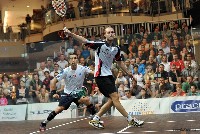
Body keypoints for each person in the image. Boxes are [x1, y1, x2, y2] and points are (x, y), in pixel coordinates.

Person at [63, 27, 144, 129]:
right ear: (105, 35)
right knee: (115, 98)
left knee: (111, 100)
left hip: (109, 76)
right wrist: (71, 34)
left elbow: (119, 63)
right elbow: (85, 41)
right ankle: (130, 119)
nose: (111, 34)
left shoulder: (116, 49)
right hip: (101, 76)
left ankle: (96, 118)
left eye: (112, 32)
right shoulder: (100, 45)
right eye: (108, 32)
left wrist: (128, 73)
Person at [39, 53, 96, 131]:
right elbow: (53, 81)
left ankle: (95, 117)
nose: (73, 60)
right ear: (69, 61)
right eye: (71, 58)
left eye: (75, 58)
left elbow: (94, 73)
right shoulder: (65, 71)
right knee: (59, 109)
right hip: (68, 94)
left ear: (77, 60)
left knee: (86, 99)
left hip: (78, 92)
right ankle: (44, 123)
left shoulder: (83, 68)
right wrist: (53, 93)